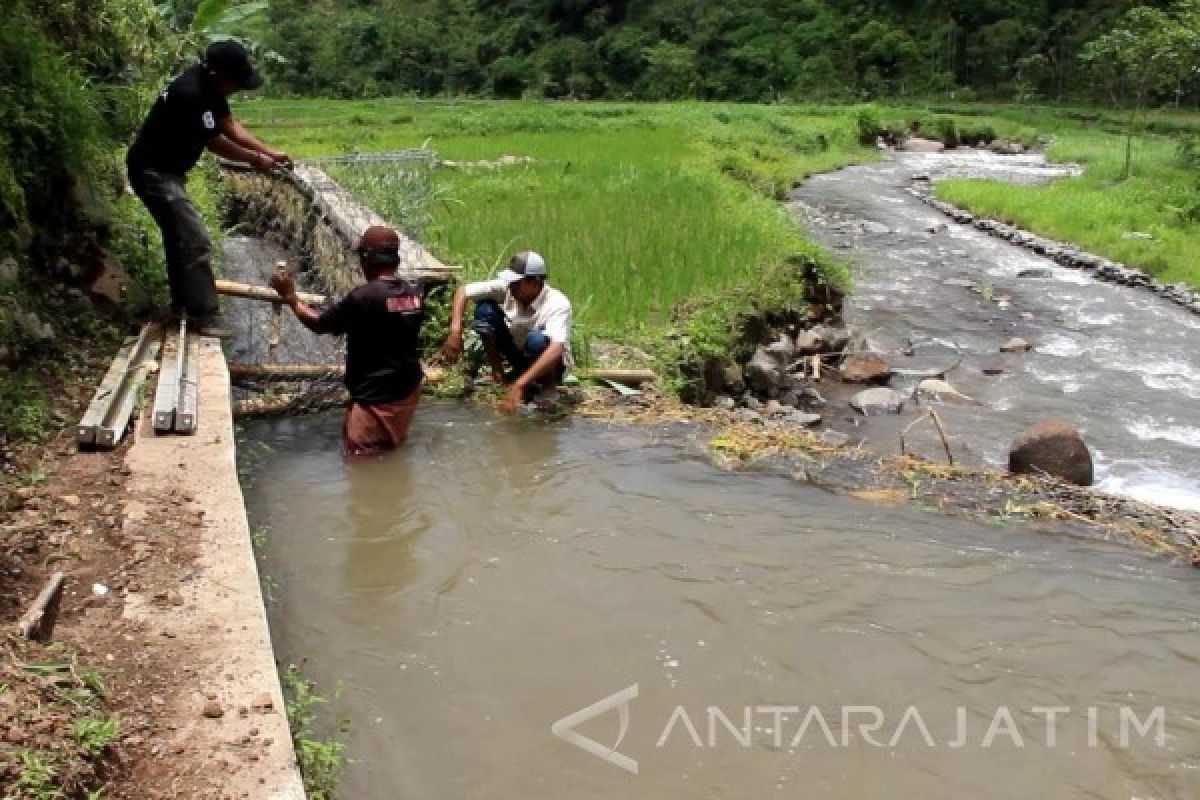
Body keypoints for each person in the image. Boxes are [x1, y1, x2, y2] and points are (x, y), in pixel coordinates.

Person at [127, 40, 292, 337]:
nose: (237, 89)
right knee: (194, 240)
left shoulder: (209, 86)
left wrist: (268, 151)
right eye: (236, 82)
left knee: (179, 239)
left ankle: (182, 308)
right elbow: (216, 142)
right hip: (154, 173)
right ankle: (204, 317)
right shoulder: (190, 93)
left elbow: (229, 125)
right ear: (218, 75)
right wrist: (257, 160)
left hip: (168, 172)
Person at [270, 226, 426, 458]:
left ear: (367, 259)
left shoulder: (364, 297)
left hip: (374, 399)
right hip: (407, 391)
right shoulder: (413, 294)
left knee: (361, 463)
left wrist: (291, 297)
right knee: (391, 450)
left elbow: (319, 324)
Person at [439, 250, 573, 415]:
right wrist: (455, 330)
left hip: (550, 364)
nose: (511, 287)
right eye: (510, 282)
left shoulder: (557, 303)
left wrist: (519, 385)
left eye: (516, 283)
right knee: (484, 310)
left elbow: (556, 349)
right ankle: (498, 375)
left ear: (535, 282)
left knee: (537, 340)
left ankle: (547, 388)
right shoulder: (509, 289)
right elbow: (463, 291)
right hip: (519, 354)